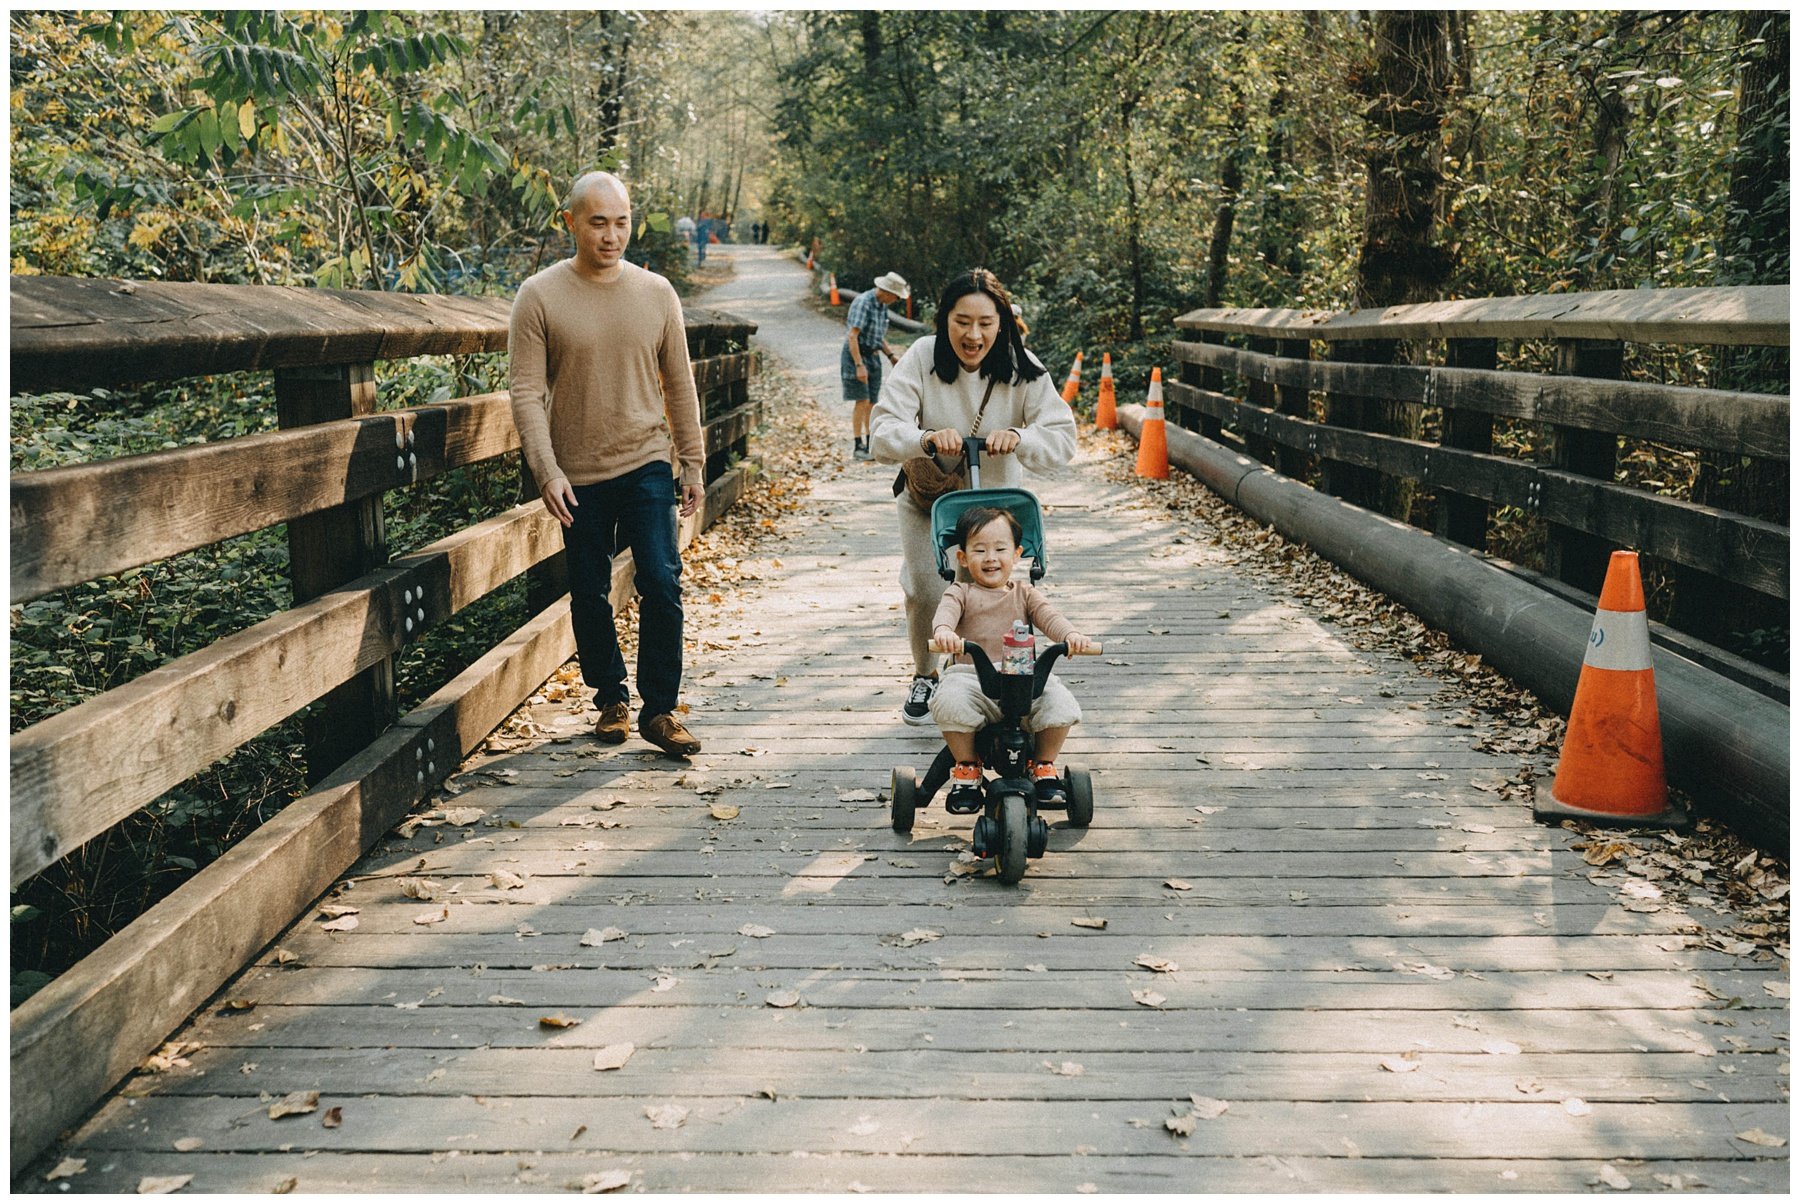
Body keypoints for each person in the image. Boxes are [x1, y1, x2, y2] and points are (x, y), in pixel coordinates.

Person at [508, 170, 704, 758]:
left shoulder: (657, 293)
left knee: (662, 582)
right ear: (570, 222)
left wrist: (691, 461)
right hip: (576, 472)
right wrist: (546, 469)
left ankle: (660, 709)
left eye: (620, 222)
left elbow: (680, 384)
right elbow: (524, 391)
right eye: (597, 222)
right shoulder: (539, 295)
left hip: (645, 460)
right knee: (590, 592)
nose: (611, 235)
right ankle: (611, 698)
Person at [871, 268, 1077, 726]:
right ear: (944, 320)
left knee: (992, 593)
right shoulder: (923, 357)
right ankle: (925, 672)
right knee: (927, 590)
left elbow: (1063, 438)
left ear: (1002, 322)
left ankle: (990, 678)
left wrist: (1020, 436)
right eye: (962, 321)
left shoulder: (1022, 366)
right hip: (933, 499)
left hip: (993, 506)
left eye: (985, 322)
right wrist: (924, 438)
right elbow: (882, 431)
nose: (973, 334)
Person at [930, 506, 1098, 805]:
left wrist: (1070, 636)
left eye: (1000, 549)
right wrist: (944, 632)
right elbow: (946, 613)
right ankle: (966, 768)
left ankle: (1043, 764)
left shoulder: (1025, 593)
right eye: (979, 550)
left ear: (1017, 554)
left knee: (1059, 702)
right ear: (963, 558)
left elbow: (1050, 617)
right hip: (973, 679)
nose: (991, 557)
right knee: (949, 701)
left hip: (1024, 683)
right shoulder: (961, 592)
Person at [842, 271, 910, 461]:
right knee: (861, 400)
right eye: (895, 296)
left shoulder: (881, 306)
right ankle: (858, 445)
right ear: (887, 292)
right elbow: (852, 336)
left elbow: (878, 337)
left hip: (873, 356)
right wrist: (858, 365)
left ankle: (870, 442)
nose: (895, 300)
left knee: (873, 402)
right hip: (856, 355)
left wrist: (891, 356)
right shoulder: (864, 302)